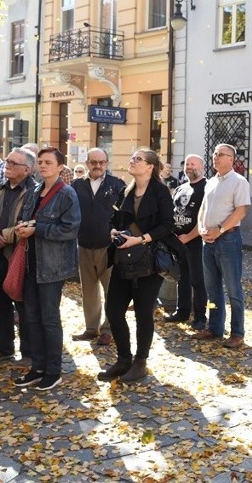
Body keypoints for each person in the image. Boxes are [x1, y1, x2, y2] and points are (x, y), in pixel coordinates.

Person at [98, 148, 182, 383]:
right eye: (132, 157)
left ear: (150, 167)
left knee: (144, 312)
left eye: (138, 159)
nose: (132, 161)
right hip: (125, 258)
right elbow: (116, 219)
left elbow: (167, 225)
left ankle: (140, 363)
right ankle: (123, 359)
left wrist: (141, 238)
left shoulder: (160, 191)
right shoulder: (127, 190)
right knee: (114, 310)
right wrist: (113, 230)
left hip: (150, 259)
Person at [12, 147, 80, 391]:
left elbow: (70, 230)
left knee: (49, 319)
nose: (43, 166)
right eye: (40, 162)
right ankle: (37, 367)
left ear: (60, 166)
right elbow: (27, 219)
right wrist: (22, 227)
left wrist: (37, 230)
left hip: (52, 266)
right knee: (31, 317)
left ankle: (54, 370)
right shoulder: (34, 191)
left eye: (48, 162)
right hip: (31, 263)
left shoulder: (67, 194)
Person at [0, 148, 37, 364]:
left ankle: (29, 353)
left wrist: (1, 236)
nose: (7, 166)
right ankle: (2, 349)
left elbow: (29, 224)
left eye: (13, 163)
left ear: (27, 170)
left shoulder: (34, 192)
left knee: (24, 307)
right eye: (8, 162)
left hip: (19, 258)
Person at [193, 143, 251, 349]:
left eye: (221, 154)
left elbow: (241, 211)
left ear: (231, 159)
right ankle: (214, 327)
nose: (215, 157)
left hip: (228, 239)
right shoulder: (211, 182)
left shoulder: (239, 181)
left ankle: (237, 332)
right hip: (207, 240)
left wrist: (219, 229)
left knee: (234, 289)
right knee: (212, 289)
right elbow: (203, 208)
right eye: (215, 154)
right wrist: (201, 228)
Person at [70, 148, 125, 346]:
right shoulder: (76, 185)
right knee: (89, 290)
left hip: (108, 246)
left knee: (111, 290)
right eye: (93, 162)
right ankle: (91, 328)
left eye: (102, 162)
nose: (98, 166)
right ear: (87, 163)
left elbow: (125, 215)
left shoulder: (117, 185)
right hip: (83, 244)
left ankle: (109, 329)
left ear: (107, 164)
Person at [164, 154, 208, 328]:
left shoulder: (206, 187)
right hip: (178, 241)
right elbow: (175, 211)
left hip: (196, 241)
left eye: (193, 164)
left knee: (197, 280)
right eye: (187, 164)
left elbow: (205, 217)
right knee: (182, 278)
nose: (190, 167)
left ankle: (200, 317)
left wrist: (188, 236)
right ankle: (182, 312)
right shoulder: (181, 188)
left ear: (202, 167)